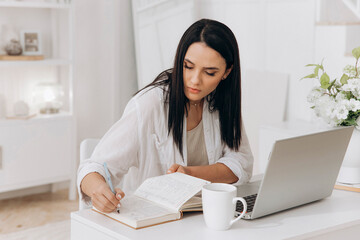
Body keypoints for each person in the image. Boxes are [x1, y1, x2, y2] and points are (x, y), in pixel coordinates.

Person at [78, 18, 253, 213]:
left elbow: (241, 163)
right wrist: (99, 190)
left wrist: (189, 174)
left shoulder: (221, 102)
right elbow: (93, 168)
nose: (195, 80)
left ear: (226, 72)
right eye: (188, 66)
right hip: (152, 220)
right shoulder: (149, 105)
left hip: (202, 216)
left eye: (209, 72)